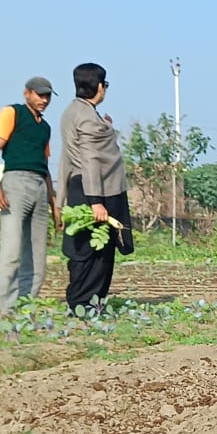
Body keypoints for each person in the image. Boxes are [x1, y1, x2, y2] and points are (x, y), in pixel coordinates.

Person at [56, 63, 132, 313]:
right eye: (105, 85)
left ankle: (87, 303)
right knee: (95, 252)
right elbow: (90, 160)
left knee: (88, 248)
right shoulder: (88, 118)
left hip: (82, 187)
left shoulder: (74, 111)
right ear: (99, 86)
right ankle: (84, 303)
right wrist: (96, 201)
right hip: (95, 189)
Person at [0, 76, 60, 312]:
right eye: (40, 94)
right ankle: (1, 308)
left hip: (39, 185)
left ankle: (25, 306)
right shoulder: (12, 113)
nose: (44, 100)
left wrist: (54, 203)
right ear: (27, 93)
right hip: (15, 182)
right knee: (11, 250)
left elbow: (46, 167)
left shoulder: (45, 127)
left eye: (48, 95)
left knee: (38, 256)